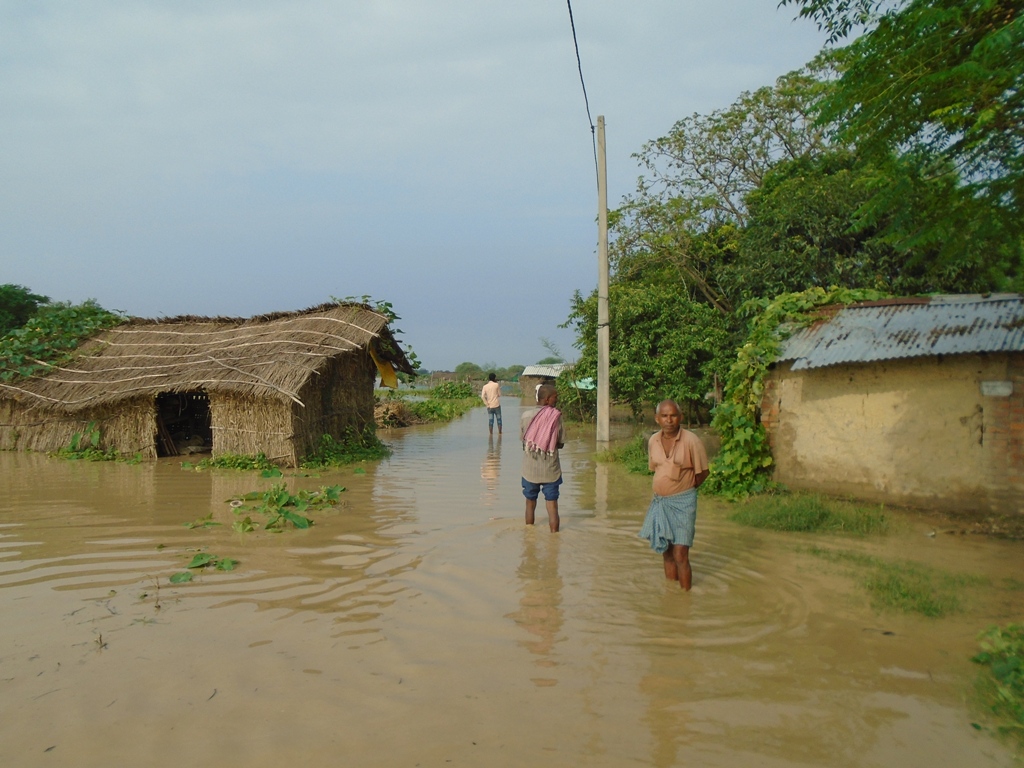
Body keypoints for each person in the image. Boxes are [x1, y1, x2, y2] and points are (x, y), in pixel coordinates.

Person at [639, 399, 709, 591]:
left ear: (680, 417)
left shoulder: (691, 440)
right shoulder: (653, 440)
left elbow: (703, 473)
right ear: (657, 418)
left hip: (684, 503)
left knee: (680, 554)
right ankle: (671, 596)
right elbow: (655, 469)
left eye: (673, 416)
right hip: (661, 503)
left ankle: (686, 597)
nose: (669, 420)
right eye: (664, 416)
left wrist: (684, 489)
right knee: (667, 552)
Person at [520, 383, 565, 532]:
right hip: (550, 469)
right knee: (552, 505)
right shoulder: (556, 417)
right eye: (555, 397)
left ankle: (529, 536)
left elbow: (524, 440)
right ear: (546, 399)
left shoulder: (526, 416)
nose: (556, 400)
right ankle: (554, 538)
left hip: (530, 469)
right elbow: (561, 443)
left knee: (530, 503)